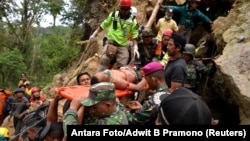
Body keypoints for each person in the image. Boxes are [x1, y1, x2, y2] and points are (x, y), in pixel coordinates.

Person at [63, 82, 129, 138]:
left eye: (94, 107)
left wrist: (72, 109)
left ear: (108, 105)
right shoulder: (117, 109)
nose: (91, 111)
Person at [89, 0, 139, 71]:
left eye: (126, 9)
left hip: (123, 45)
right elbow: (104, 25)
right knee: (104, 61)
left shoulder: (132, 21)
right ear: (119, 8)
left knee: (123, 62)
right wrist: (94, 33)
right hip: (111, 43)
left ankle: (116, 77)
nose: (124, 11)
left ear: (129, 9)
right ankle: (99, 76)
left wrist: (136, 47)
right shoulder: (113, 15)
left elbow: (135, 35)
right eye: (122, 9)